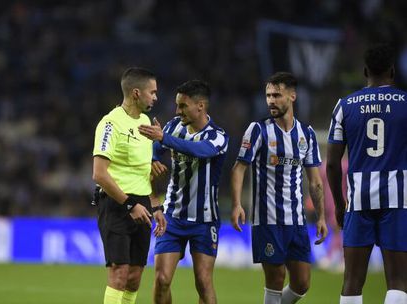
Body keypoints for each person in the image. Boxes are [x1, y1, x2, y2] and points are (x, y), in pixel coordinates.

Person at [231, 72, 328, 304]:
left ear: (292, 96)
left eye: (277, 95)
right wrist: (236, 204)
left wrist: (322, 216)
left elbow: (314, 180)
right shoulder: (258, 130)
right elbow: (238, 168)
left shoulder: (307, 134)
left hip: (296, 221)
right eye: (268, 95)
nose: (271, 100)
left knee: (302, 284)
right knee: (276, 279)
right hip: (268, 219)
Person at [327, 44, 407, 304]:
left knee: (352, 280)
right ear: (393, 72)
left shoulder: (345, 106)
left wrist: (340, 205)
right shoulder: (405, 103)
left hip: (358, 200)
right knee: (398, 280)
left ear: (365, 72)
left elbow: (331, 164)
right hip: (397, 199)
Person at [138, 79, 228, 304]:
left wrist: (164, 139)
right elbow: (153, 152)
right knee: (162, 279)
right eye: (177, 106)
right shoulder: (172, 127)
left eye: (183, 106)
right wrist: (152, 161)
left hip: (204, 220)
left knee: (203, 281)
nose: (177, 111)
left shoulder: (217, 136)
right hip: (172, 216)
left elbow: (201, 151)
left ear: (200, 106)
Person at [92, 67, 166, 304]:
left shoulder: (145, 122)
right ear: (136, 93)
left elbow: (144, 172)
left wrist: (155, 206)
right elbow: (99, 174)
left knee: (135, 276)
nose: (155, 97)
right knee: (119, 271)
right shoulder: (110, 124)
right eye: (152, 92)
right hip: (117, 203)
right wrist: (129, 204)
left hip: (142, 203)